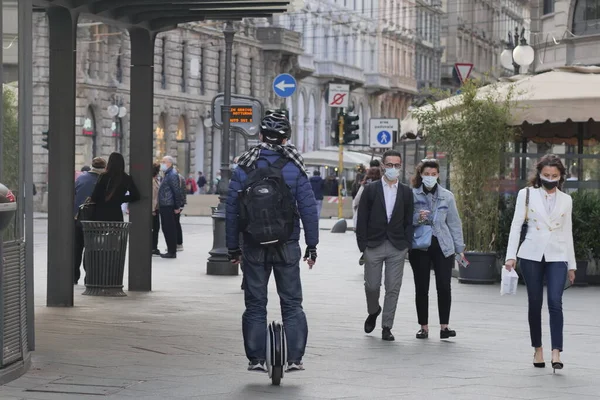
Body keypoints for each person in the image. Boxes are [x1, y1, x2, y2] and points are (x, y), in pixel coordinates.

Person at [226, 110, 319, 373]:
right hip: (287, 244)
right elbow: (308, 207)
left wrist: (233, 247)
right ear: (287, 138)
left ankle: (255, 359)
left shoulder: (244, 164)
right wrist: (312, 245)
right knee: (291, 303)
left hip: (254, 245)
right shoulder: (295, 165)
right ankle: (295, 359)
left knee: (255, 303)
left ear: (260, 135)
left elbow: (232, 209)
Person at [505, 154, 576, 372]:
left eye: (554, 176)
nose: (550, 179)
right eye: (546, 175)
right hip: (531, 253)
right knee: (535, 302)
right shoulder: (526, 194)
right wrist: (511, 255)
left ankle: (556, 351)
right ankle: (538, 348)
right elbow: (516, 225)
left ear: (561, 176)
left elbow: (567, 231)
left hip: (557, 254)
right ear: (539, 174)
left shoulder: (566, 199)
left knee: (555, 301)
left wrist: (571, 264)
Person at [356, 149, 414, 341]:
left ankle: (387, 326)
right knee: (372, 286)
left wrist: (407, 244)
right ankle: (373, 311)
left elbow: (409, 220)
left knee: (393, 287)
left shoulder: (406, 192)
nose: (393, 168)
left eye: (397, 165)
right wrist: (363, 245)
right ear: (382, 166)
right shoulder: (371, 190)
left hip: (397, 246)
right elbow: (362, 218)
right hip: (373, 244)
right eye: (389, 165)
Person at [408, 159, 465, 340]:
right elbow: (403, 219)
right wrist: (417, 217)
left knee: (444, 286)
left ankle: (444, 326)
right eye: (426, 174)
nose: (430, 178)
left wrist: (459, 248)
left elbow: (454, 223)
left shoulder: (447, 196)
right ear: (420, 175)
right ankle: (423, 327)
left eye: (433, 174)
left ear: (438, 175)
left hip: (443, 245)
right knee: (421, 287)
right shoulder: (412, 195)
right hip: (419, 246)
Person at [73, 157, 106, 284]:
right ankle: (89, 277)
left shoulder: (80, 178)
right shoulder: (103, 180)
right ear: (104, 168)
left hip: (78, 218)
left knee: (77, 248)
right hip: (95, 221)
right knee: (91, 249)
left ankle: (74, 276)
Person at [90, 153, 140, 222]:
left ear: (109, 163)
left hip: (101, 214)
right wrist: (121, 199)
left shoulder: (103, 176)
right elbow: (136, 196)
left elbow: (94, 197)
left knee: (101, 232)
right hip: (116, 214)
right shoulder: (126, 178)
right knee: (116, 232)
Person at [158, 156, 184, 259]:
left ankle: (172, 251)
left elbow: (176, 191)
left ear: (169, 163)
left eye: (163, 162)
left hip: (169, 205)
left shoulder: (172, 174)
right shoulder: (167, 174)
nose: (162, 163)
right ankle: (170, 250)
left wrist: (177, 206)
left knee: (169, 228)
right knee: (166, 228)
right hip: (165, 205)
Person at [352, 167, 382, 231]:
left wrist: (355, 206)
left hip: (365, 216)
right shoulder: (382, 185)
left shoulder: (365, 185)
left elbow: (357, 198)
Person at [175, 169, 187, 251]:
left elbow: (178, 191)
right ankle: (178, 243)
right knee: (176, 223)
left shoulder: (177, 178)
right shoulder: (180, 177)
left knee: (176, 223)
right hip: (180, 202)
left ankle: (178, 243)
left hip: (178, 203)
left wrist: (178, 205)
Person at [152, 162, 161, 256]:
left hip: (156, 208)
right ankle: (153, 247)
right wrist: (153, 209)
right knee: (154, 228)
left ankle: (154, 247)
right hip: (153, 209)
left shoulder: (156, 180)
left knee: (156, 228)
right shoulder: (152, 181)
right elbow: (153, 197)